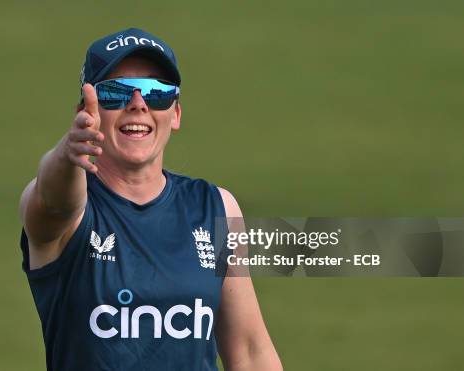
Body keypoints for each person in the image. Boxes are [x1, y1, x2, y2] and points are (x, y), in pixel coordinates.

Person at [18, 27, 282, 371]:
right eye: (116, 93)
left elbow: (249, 351)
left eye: (157, 93)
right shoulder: (71, 212)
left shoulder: (216, 207)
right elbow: (53, 201)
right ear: (87, 111)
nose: (138, 104)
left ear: (175, 114)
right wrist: (67, 153)